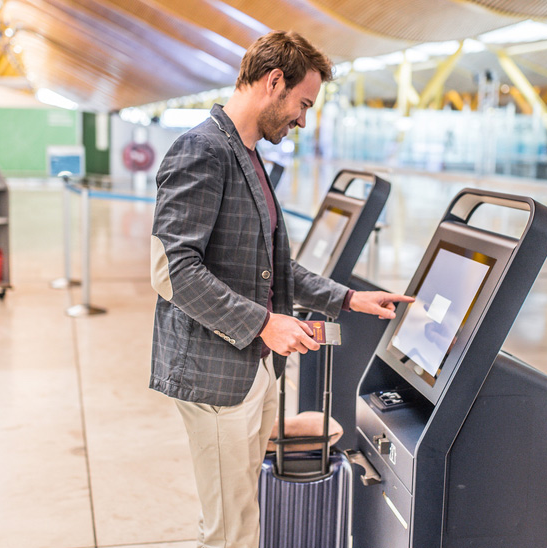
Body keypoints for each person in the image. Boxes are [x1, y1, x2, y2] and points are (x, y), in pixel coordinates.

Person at [149, 30, 414, 548]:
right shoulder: (202, 150)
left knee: (243, 513)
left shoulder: (246, 154)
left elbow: (271, 266)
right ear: (274, 82)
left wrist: (348, 298)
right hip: (215, 377)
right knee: (230, 530)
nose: (302, 119)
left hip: (250, 371)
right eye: (303, 103)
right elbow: (173, 270)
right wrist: (265, 324)